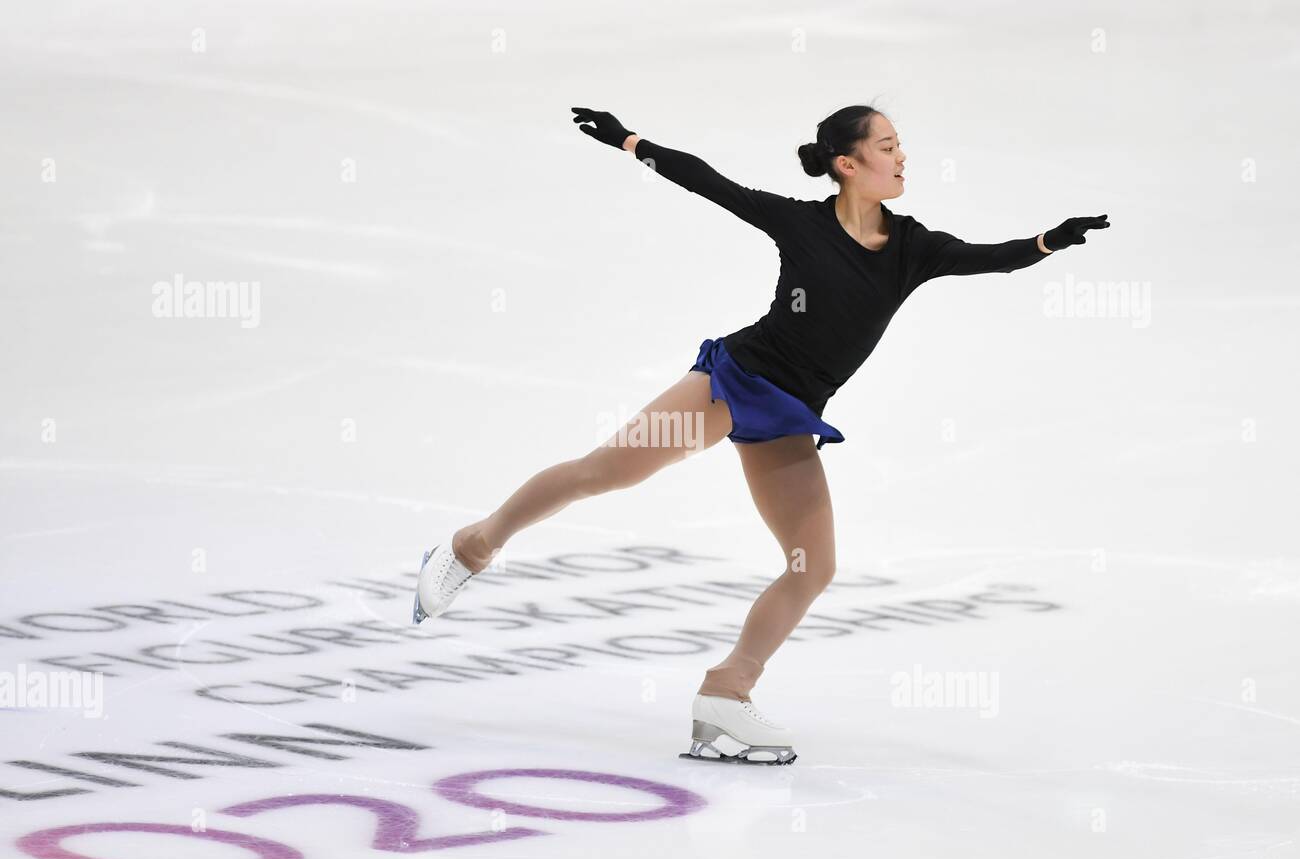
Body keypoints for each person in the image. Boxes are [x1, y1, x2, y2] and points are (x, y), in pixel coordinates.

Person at [414, 104, 1110, 764]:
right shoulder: (801, 225)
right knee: (606, 472)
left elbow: (996, 257)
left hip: (789, 418)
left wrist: (1053, 239)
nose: (903, 158)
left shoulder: (911, 248)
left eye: (900, 147)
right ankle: (473, 545)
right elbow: (710, 182)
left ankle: (727, 692)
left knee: (813, 565)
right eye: (888, 146)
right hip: (733, 384)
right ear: (847, 163)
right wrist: (630, 141)